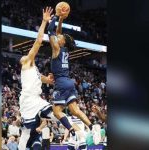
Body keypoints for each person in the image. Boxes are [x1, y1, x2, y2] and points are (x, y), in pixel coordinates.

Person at [47, 10, 93, 142]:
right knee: (75, 110)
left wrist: (56, 15)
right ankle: (92, 126)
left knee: (56, 111)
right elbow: (59, 32)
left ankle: (71, 130)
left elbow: (50, 30)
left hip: (61, 83)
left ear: (62, 42)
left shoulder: (56, 48)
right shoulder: (65, 49)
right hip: (69, 82)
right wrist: (61, 20)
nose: (58, 37)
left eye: (60, 38)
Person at [18, 7, 57, 150]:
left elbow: (43, 79)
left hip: (35, 99)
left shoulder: (34, 70)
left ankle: (74, 129)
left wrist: (49, 79)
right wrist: (44, 21)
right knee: (27, 134)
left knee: (31, 132)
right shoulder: (27, 62)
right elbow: (39, 41)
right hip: (28, 100)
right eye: (22, 57)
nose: (24, 57)